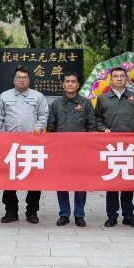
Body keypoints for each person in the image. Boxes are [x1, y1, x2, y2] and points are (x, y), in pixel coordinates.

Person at [0, 66, 48, 224]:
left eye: (24, 77)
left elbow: (44, 114)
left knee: (34, 178)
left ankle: (32, 211)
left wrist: (39, 127)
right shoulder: (5, 96)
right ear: (14, 79)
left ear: (29, 80)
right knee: (9, 177)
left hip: (32, 144)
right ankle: (11, 211)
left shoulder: (38, 96)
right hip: (9, 145)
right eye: (18, 77)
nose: (21, 80)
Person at [95, 66, 134, 228]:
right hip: (111, 148)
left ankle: (128, 216)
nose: (119, 78)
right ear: (110, 79)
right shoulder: (103, 98)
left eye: (122, 76)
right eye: (115, 76)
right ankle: (112, 216)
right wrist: (103, 129)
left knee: (128, 182)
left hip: (130, 147)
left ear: (126, 79)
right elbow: (97, 120)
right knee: (112, 182)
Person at [47, 71, 94, 227]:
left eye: (73, 81)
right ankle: (64, 214)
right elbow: (51, 127)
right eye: (67, 81)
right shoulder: (56, 103)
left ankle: (79, 215)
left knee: (80, 184)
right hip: (61, 151)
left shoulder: (86, 103)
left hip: (81, 151)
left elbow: (91, 127)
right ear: (63, 84)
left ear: (78, 84)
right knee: (62, 183)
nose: (70, 84)